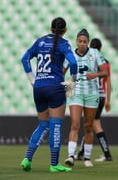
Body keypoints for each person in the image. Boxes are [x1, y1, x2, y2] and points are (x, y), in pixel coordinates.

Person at [20, 17, 78, 172]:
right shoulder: (64, 44)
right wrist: (72, 81)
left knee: (42, 125)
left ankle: (27, 158)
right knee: (56, 126)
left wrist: (32, 78)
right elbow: (73, 63)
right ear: (65, 30)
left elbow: (24, 59)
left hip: (39, 87)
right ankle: (54, 164)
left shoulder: (39, 42)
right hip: (55, 87)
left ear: (51, 28)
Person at [63, 29, 107, 167]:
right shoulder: (70, 54)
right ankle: (70, 156)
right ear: (76, 41)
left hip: (92, 93)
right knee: (75, 124)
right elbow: (62, 71)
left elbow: (105, 72)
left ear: (88, 42)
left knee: (88, 126)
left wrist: (95, 74)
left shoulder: (95, 53)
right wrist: (64, 84)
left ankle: (87, 157)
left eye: (85, 42)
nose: (82, 44)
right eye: (80, 41)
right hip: (75, 92)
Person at [76, 38, 113, 162]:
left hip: (93, 94)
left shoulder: (91, 60)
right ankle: (81, 153)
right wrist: (108, 100)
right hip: (102, 96)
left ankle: (107, 154)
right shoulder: (105, 63)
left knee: (94, 125)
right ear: (101, 48)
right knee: (89, 124)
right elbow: (109, 83)